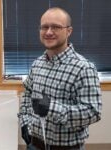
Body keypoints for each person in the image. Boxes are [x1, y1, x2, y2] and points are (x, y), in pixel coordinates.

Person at [18, 7, 102, 150]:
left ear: (69, 31)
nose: (49, 32)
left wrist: (52, 108)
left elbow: (93, 112)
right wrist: (25, 122)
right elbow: (27, 94)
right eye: (44, 27)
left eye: (56, 27)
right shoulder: (37, 64)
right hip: (34, 144)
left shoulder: (84, 68)